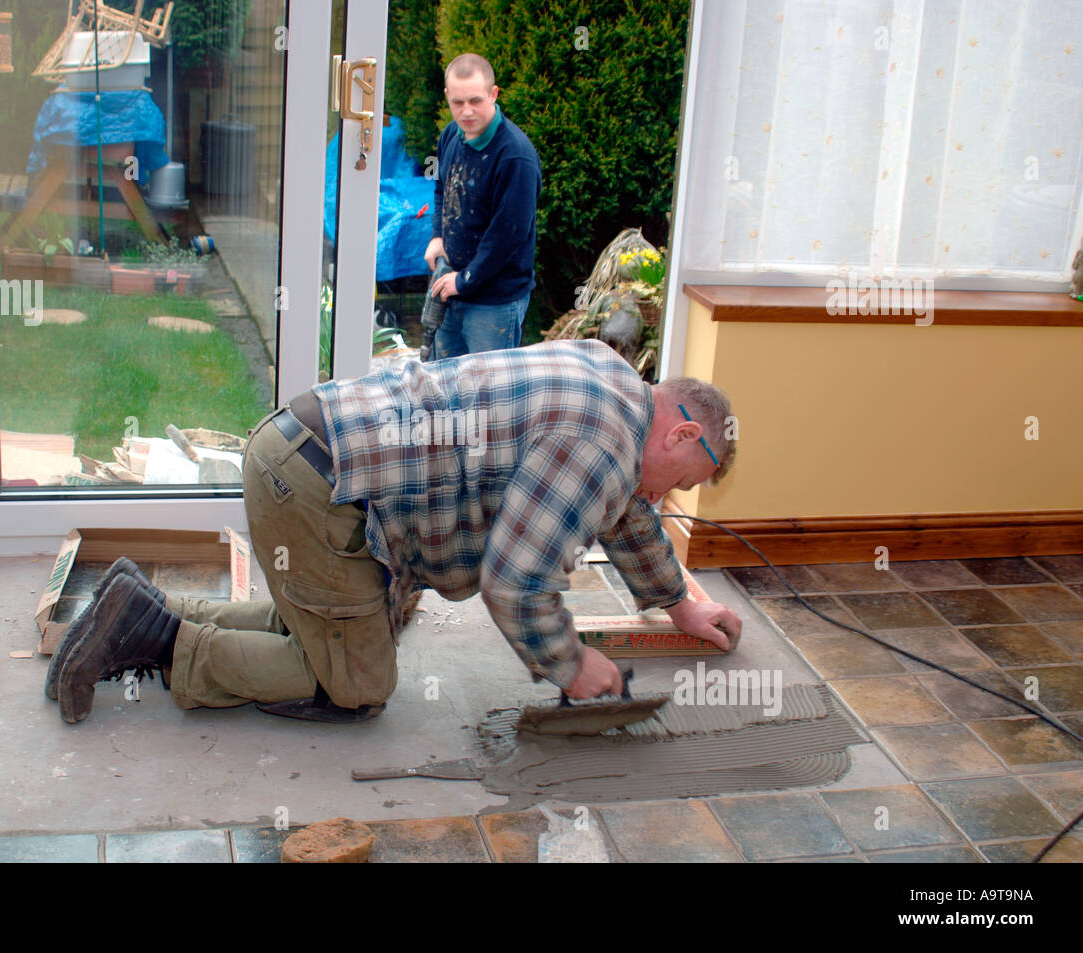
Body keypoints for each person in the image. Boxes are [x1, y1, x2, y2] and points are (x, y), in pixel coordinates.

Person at [49, 340, 741, 725]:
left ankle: (144, 608)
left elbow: (627, 513)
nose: (663, 495)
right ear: (682, 430)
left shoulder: (613, 378)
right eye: (679, 478)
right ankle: (166, 643)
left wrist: (683, 605)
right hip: (321, 495)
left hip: (306, 454)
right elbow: (517, 582)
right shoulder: (603, 441)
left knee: (322, 630)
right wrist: (573, 663)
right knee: (355, 684)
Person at [422, 53, 541, 359]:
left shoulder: (515, 157)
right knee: (444, 387)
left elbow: (508, 236)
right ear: (447, 96)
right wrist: (438, 236)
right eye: (457, 103)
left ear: (494, 94)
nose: (466, 112)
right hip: (451, 286)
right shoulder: (451, 135)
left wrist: (465, 280)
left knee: (487, 398)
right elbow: (441, 189)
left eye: (475, 100)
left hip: (494, 301)